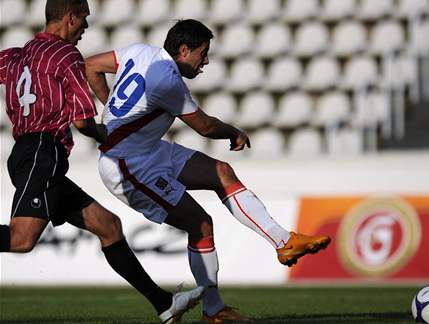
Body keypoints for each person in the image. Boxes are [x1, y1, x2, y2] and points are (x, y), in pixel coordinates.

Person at [86, 19, 331, 323]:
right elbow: (205, 126)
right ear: (184, 49)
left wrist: (109, 106)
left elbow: (91, 66)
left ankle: (284, 242)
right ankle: (213, 311)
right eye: (203, 53)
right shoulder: (167, 80)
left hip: (148, 148)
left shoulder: (138, 51)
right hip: (127, 165)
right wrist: (235, 132)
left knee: (222, 172)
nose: (206, 61)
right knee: (200, 224)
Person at [0, 2, 203, 323]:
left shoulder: (16, 55)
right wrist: (106, 133)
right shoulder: (66, 56)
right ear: (70, 18)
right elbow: (83, 120)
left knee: (108, 226)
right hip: (43, 151)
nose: (86, 28)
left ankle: (164, 304)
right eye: (84, 20)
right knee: (21, 240)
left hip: (28, 152)